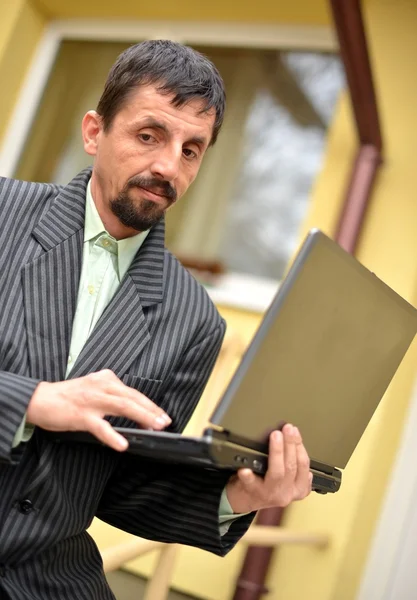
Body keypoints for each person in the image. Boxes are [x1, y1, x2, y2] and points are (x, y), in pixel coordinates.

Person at [0, 40, 312, 600]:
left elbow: (120, 486)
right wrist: (30, 402)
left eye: (192, 150)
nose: (169, 165)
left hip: (48, 583)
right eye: (150, 135)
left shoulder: (195, 321)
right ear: (95, 133)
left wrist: (240, 497)